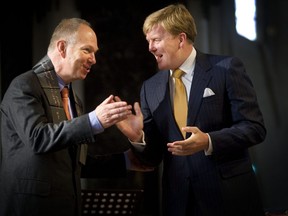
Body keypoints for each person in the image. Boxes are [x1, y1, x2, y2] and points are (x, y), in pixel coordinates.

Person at [116, 3, 267, 216]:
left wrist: (208, 141)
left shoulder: (225, 69)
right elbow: (153, 157)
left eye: (156, 40)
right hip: (178, 202)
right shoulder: (150, 87)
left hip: (228, 198)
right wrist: (137, 137)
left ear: (180, 39)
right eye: (148, 41)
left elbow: (254, 128)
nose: (150, 47)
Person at [0, 18, 132, 216]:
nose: (94, 60)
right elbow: (38, 138)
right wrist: (93, 120)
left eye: (95, 53)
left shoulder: (73, 99)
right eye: (87, 50)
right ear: (62, 48)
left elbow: (71, 164)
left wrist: (126, 161)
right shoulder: (23, 86)